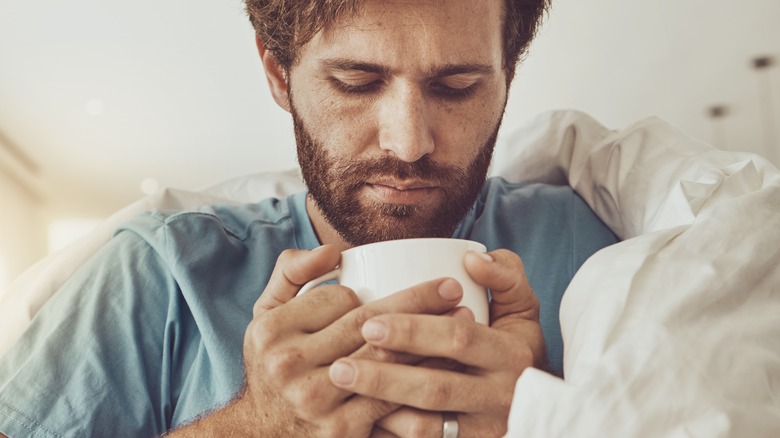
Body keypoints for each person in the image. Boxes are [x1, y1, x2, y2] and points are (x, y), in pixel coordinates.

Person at [0, 0, 618, 436]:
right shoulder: (157, 273)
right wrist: (254, 428)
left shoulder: (583, 247)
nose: (408, 143)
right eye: (355, 81)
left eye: (457, 86)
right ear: (278, 73)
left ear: (507, 77)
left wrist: (547, 423)